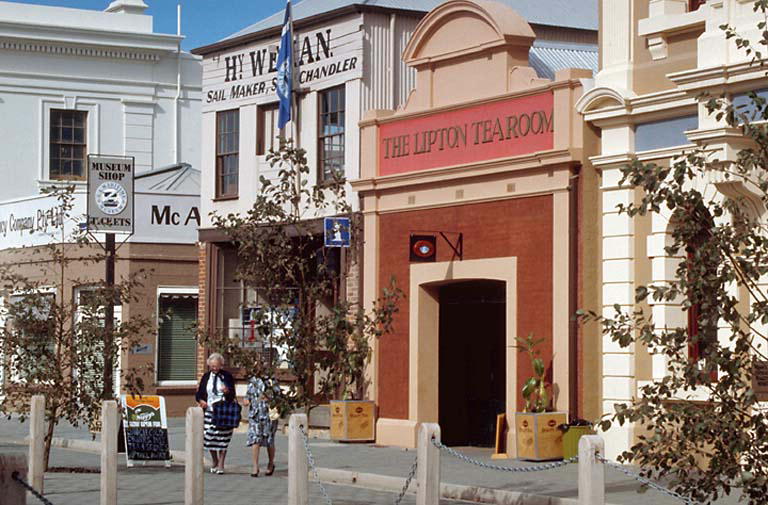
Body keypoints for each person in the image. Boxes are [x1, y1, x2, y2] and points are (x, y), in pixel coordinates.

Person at [195, 353, 236, 474]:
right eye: (212, 366)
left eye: (217, 366)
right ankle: (214, 460)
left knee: (222, 438)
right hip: (209, 410)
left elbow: (232, 394)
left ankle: (221, 464)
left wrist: (227, 391)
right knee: (208, 437)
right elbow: (199, 393)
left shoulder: (226, 376)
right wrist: (201, 401)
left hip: (223, 411)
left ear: (221, 365)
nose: (214, 368)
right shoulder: (206, 376)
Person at [244, 374, 280, 477]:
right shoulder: (252, 380)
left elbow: (278, 395)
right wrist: (246, 401)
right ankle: (255, 466)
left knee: (269, 440)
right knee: (255, 439)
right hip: (255, 415)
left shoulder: (272, 380)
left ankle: (271, 463)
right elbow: (248, 395)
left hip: (268, 415)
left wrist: (268, 397)